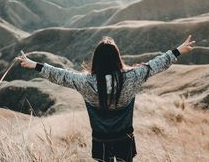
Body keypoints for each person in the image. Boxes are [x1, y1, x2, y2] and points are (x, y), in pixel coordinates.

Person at [19, 35, 195, 161]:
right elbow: (155, 65)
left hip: (101, 139)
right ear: (117, 58)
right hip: (124, 137)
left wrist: (35, 65)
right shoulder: (132, 77)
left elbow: (61, 75)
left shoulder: (85, 82)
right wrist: (178, 50)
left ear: (96, 60)